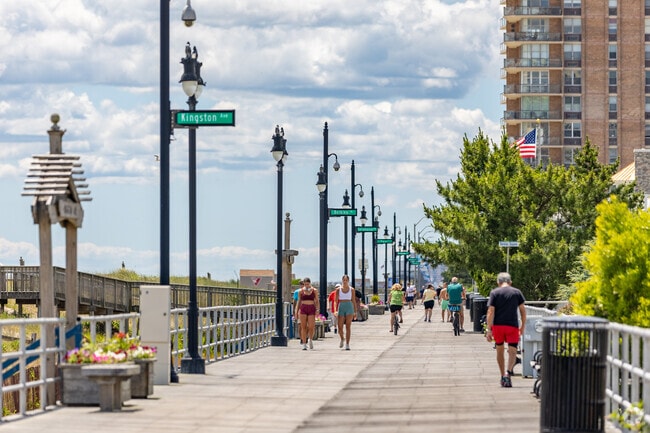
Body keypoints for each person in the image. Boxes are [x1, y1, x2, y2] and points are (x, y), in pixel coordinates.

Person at [485, 272, 526, 388]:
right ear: (510, 282)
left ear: (498, 282)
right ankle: (508, 372)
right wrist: (522, 326)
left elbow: (490, 311)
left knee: (500, 350)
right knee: (512, 351)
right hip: (512, 326)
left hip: (498, 326)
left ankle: (502, 374)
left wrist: (489, 329)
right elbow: (523, 310)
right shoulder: (516, 292)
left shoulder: (494, 292)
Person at [295, 277, 319, 350]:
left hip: (311, 307)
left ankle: (311, 339)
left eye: (308, 284)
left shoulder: (314, 290)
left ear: (310, 283)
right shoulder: (301, 291)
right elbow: (299, 301)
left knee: (311, 326)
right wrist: (296, 311)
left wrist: (317, 309)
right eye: (305, 284)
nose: (306, 286)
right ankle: (304, 343)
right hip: (303, 308)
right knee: (303, 326)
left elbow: (317, 300)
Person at [335, 275, 357, 350]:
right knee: (340, 326)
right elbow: (335, 301)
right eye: (343, 280)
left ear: (348, 281)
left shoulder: (352, 289)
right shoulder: (338, 289)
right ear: (342, 281)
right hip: (341, 306)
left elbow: (353, 300)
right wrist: (335, 310)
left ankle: (347, 344)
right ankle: (342, 338)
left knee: (348, 326)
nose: (345, 282)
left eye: (346, 280)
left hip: (349, 306)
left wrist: (355, 311)